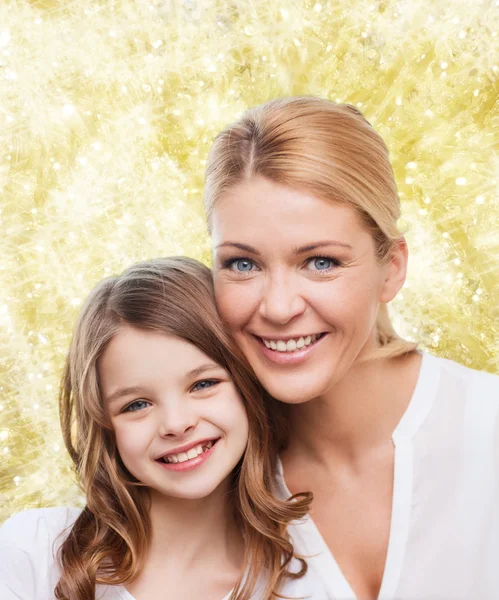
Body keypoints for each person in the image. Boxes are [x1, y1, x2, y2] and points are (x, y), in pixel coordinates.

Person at [204, 96, 499, 600]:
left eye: (320, 262)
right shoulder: (202, 476)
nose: (277, 307)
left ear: (392, 268)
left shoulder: (486, 428)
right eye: (243, 265)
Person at [0, 257, 327, 600]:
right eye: (137, 405)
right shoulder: (34, 553)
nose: (176, 424)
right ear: (105, 426)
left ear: (247, 386)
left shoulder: (304, 581)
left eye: (202, 384)